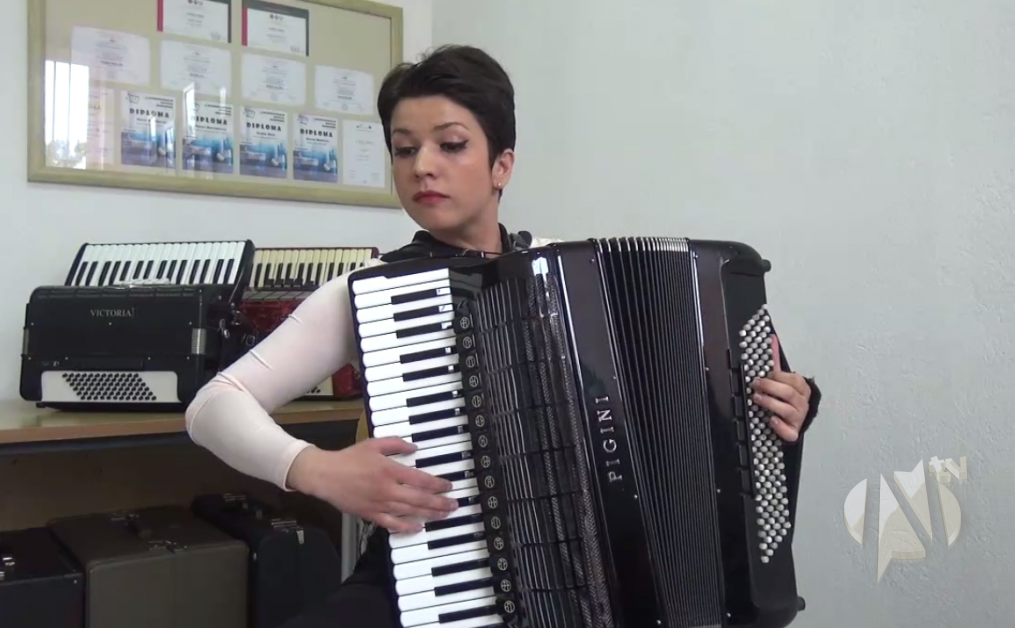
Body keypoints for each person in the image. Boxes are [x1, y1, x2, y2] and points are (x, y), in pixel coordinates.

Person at [184, 44, 822, 628]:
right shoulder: (368, 292)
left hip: (600, 584)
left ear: (502, 165)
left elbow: (708, 405)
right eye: (404, 150)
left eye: (450, 145)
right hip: (432, 582)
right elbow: (213, 406)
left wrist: (790, 402)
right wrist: (316, 469)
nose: (422, 166)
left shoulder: (580, 276)